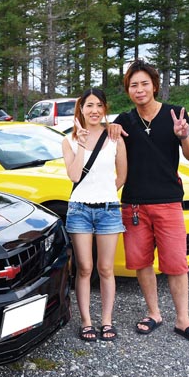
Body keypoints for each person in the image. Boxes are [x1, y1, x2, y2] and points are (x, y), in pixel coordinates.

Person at [109, 59, 189, 345]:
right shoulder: (124, 121)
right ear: (128, 90)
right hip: (134, 205)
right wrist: (110, 130)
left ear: (154, 86)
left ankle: (183, 319)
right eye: (133, 85)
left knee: (176, 263)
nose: (139, 90)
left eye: (144, 84)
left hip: (168, 202)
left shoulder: (176, 114)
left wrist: (184, 135)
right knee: (141, 263)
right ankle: (153, 313)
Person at [62, 88, 127, 342]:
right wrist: (79, 145)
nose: (94, 110)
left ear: (105, 108)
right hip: (79, 209)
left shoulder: (115, 137)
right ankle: (87, 321)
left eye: (99, 105)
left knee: (106, 268)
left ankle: (107, 321)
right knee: (85, 268)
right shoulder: (68, 140)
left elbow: (121, 175)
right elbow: (75, 176)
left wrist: (107, 193)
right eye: (89, 105)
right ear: (81, 108)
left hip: (109, 210)